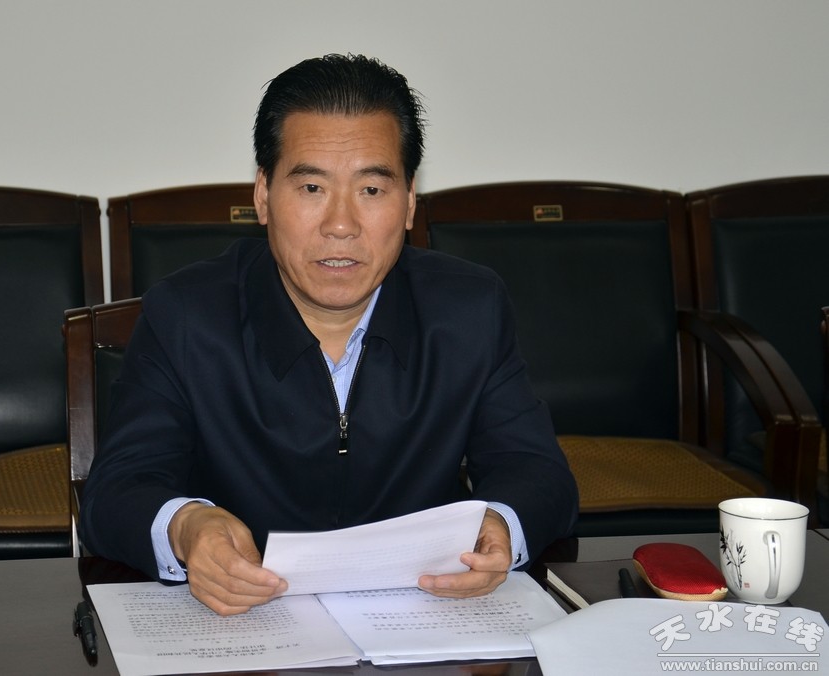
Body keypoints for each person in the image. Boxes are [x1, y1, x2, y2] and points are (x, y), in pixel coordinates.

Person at [80, 53, 578, 616]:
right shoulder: (187, 315)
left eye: (372, 190)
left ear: (409, 202)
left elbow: (537, 472)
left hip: (422, 621)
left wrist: (500, 523)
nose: (341, 225)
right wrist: (186, 526)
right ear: (263, 196)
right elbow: (117, 490)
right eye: (312, 187)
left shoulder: (468, 310)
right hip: (249, 623)